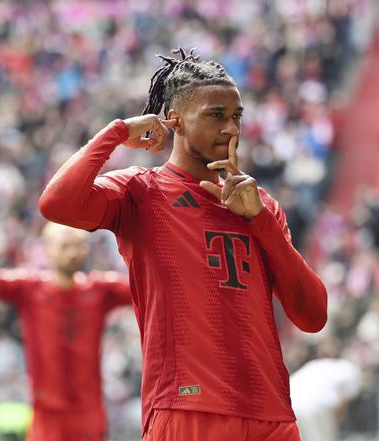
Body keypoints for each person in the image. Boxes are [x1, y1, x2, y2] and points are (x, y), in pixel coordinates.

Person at [38, 48, 328, 441]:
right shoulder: (141, 191)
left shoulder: (260, 205)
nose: (231, 129)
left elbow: (313, 316)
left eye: (236, 116)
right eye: (216, 115)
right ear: (175, 120)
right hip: (186, 409)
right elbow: (56, 203)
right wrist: (117, 133)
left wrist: (261, 221)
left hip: (271, 415)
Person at [0, 199, 133, 441]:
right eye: (64, 246)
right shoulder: (30, 288)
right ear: (48, 251)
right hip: (47, 416)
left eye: (77, 246)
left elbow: (146, 287)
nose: (72, 253)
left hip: (90, 414)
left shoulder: (100, 289)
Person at [289, 358, 363, 441]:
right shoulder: (352, 371)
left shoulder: (319, 365)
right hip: (315, 406)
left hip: (290, 403)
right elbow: (344, 403)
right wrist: (334, 423)